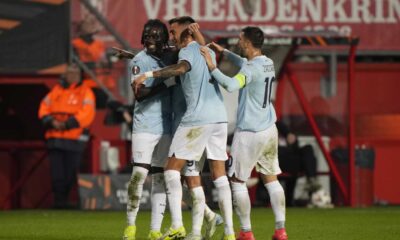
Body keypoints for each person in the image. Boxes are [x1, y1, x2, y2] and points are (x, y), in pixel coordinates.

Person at [133, 17, 235, 240]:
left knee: (170, 171)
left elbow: (180, 68)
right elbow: (184, 54)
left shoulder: (187, 52)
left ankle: (177, 225)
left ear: (187, 33)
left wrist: (148, 74)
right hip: (219, 118)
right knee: (218, 175)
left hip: (196, 120)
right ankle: (228, 232)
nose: (170, 37)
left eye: (173, 32)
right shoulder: (206, 51)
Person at [200, 26, 288, 240]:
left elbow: (231, 85)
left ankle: (246, 232)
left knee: (238, 182)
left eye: (240, 40)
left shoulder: (250, 70)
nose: (238, 43)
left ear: (248, 43)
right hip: (269, 130)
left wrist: (212, 66)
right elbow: (246, 64)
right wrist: (224, 52)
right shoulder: (267, 63)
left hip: (250, 133)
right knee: (271, 179)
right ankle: (280, 230)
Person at [122, 19, 174, 240]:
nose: (151, 39)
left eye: (155, 35)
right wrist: (166, 82)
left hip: (167, 125)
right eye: (148, 35)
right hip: (145, 125)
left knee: (160, 177)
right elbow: (139, 94)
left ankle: (154, 230)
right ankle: (130, 227)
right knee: (139, 175)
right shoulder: (139, 60)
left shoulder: (170, 57)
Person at [38, 63, 96, 209]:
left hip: (74, 138)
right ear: (65, 75)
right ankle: (59, 202)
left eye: (75, 73)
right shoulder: (56, 90)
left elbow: (87, 112)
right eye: (69, 73)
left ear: (80, 75)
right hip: (55, 137)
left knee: (71, 172)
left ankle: (68, 200)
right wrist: (51, 121)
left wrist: (68, 123)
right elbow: (44, 107)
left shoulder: (85, 91)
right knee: (57, 173)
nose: (72, 76)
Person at [276, 120, 320, 206]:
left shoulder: (286, 134)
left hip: (293, 161)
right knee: (301, 160)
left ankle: (311, 179)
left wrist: (289, 135)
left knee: (308, 148)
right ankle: (311, 180)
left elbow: (295, 146)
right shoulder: (267, 137)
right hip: (279, 162)